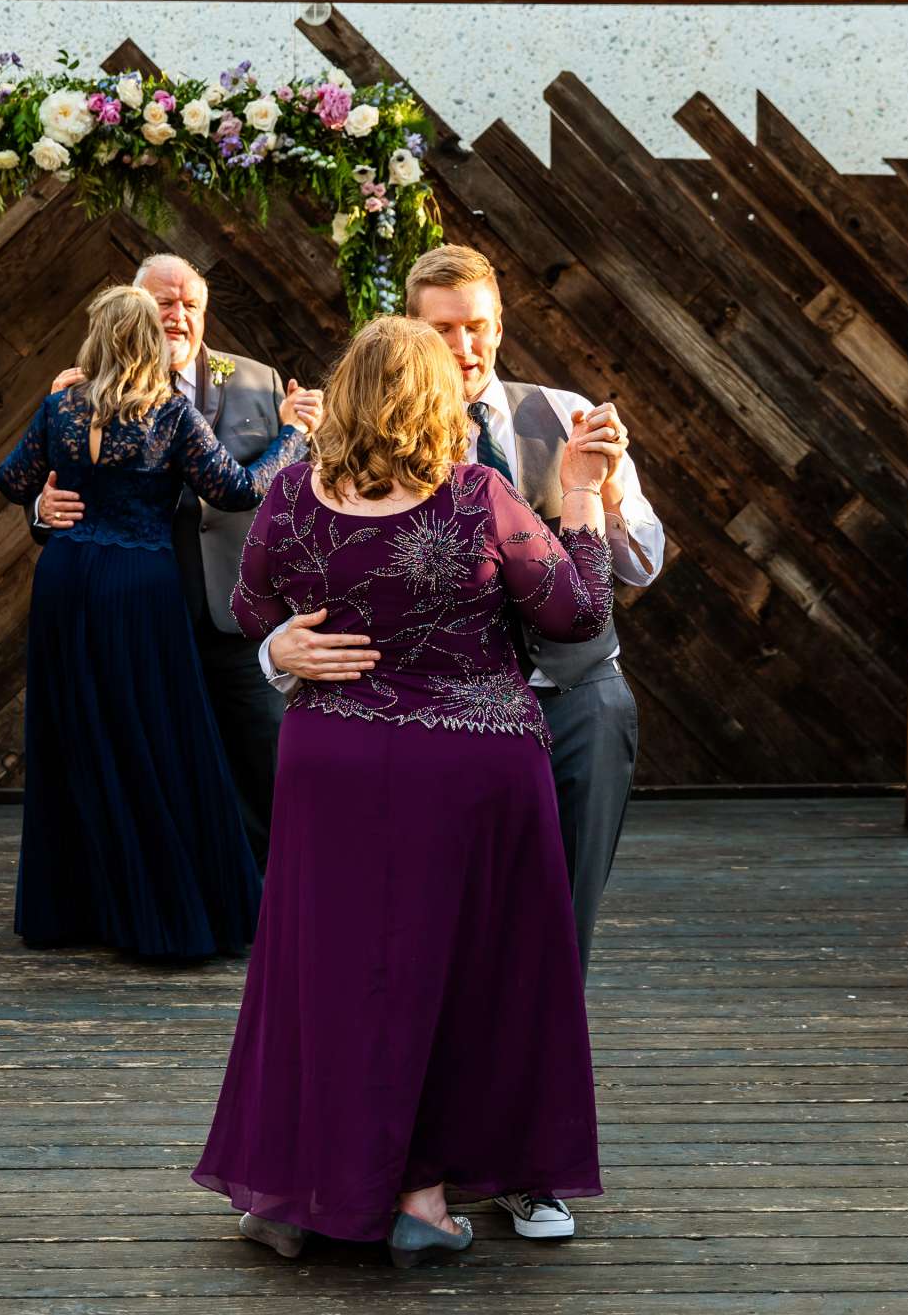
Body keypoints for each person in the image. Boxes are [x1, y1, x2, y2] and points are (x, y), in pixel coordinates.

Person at [195, 316, 619, 1268]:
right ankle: (421, 1200)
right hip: (472, 768)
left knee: (327, 973)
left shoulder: (294, 496)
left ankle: (302, 1194)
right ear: (438, 404)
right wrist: (582, 501)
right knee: (458, 979)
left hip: (333, 758)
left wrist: (285, 647)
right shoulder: (480, 499)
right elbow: (575, 615)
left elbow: (250, 605)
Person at [0, 284, 314, 959]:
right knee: (150, 737)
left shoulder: (61, 406)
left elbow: (10, 480)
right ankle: (157, 909)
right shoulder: (169, 413)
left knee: (76, 733)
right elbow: (238, 488)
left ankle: (70, 910)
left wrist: (57, 490)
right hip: (136, 585)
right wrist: (294, 432)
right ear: (146, 340)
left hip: (65, 580)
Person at [33, 255, 302, 865]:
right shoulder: (82, 387)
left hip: (238, 612)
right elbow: (41, 482)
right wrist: (44, 510)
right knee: (148, 761)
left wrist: (297, 439)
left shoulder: (259, 381)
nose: (178, 316)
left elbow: (287, 494)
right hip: (139, 608)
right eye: (164, 302)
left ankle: (271, 903)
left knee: (263, 760)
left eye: (191, 306)